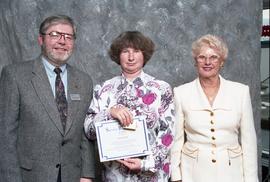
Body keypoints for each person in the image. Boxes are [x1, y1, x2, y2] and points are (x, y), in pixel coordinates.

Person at [0, 15, 95, 182]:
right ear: (41, 39)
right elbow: (5, 136)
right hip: (29, 175)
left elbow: (83, 133)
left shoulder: (84, 81)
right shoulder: (15, 75)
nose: (62, 41)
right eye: (55, 34)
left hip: (71, 176)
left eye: (68, 37)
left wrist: (86, 174)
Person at [84, 31, 175, 181]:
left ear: (144, 55)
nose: (131, 57)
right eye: (125, 51)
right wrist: (109, 113)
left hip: (152, 176)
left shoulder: (161, 89)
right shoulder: (103, 89)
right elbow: (89, 131)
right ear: (118, 56)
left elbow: (168, 134)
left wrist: (145, 163)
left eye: (136, 51)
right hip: (115, 176)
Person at [170, 34, 258, 182]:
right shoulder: (181, 93)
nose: (207, 62)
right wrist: (176, 176)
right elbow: (176, 140)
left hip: (232, 173)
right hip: (192, 173)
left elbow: (249, 142)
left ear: (222, 61)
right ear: (195, 61)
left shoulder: (241, 92)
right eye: (201, 57)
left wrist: (251, 179)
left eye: (214, 57)